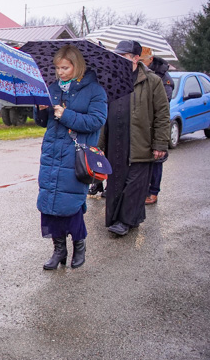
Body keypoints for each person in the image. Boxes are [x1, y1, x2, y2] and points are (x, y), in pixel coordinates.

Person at [34, 45, 108, 270]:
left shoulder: (95, 91)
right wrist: (41, 109)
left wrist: (67, 115)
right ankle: (59, 250)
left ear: (77, 66)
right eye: (57, 68)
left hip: (75, 155)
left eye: (65, 67)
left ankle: (79, 245)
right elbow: (43, 122)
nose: (60, 72)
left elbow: (96, 121)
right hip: (52, 153)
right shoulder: (52, 88)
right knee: (49, 204)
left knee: (71, 204)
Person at [100, 40, 169, 236]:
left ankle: (124, 221)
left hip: (141, 141)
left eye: (123, 56)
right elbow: (102, 111)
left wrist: (160, 144)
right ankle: (124, 217)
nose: (118, 59)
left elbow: (162, 114)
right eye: (117, 56)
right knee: (115, 182)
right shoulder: (110, 78)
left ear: (135, 58)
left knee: (135, 184)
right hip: (115, 139)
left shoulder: (152, 80)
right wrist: (98, 145)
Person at [145, 55, 175, 205]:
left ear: (150, 59)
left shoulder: (163, 77)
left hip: (155, 124)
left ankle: (153, 192)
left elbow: (163, 106)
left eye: (142, 60)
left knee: (157, 160)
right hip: (143, 126)